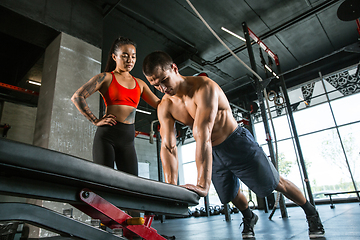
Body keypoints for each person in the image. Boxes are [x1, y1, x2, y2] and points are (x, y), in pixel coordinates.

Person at [142, 51, 325, 239]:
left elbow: (202, 134)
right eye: (155, 85)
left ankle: (311, 212)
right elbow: (169, 146)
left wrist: (202, 184)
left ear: (174, 68)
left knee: (276, 183)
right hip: (212, 152)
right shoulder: (165, 106)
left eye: (164, 80)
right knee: (230, 194)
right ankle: (249, 217)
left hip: (236, 142)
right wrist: (171, 187)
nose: (162, 88)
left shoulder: (204, 88)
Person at [71, 37, 160, 176]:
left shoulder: (140, 84)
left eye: (133, 56)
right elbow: (77, 96)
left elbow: (160, 105)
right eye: (125, 56)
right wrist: (95, 120)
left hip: (128, 140)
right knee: (104, 181)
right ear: (114, 56)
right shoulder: (105, 78)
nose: (130, 60)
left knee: (131, 184)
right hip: (107, 137)